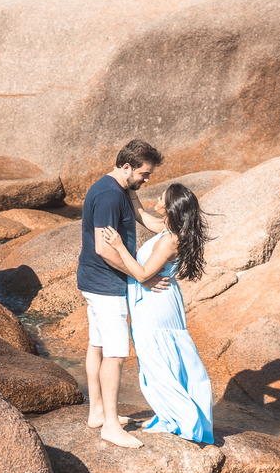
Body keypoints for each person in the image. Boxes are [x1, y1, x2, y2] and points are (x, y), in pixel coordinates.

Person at [101, 182, 214, 445]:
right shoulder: (171, 230)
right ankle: (171, 415)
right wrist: (129, 189)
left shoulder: (168, 241)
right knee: (166, 356)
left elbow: (142, 274)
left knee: (156, 359)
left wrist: (118, 246)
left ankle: (179, 418)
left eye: (162, 197)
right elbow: (141, 215)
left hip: (155, 302)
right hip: (164, 299)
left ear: (170, 206)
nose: (158, 198)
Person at [77, 139, 167, 449]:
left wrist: (178, 230)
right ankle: (111, 427)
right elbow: (104, 248)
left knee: (98, 345)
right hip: (105, 284)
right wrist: (142, 277)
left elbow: (145, 218)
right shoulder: (108, 195)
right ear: (126, 167)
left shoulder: (122, 190)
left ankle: (98, 413)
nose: (147, 180)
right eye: (144, 174)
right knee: (115, 354)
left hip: (96, 281)